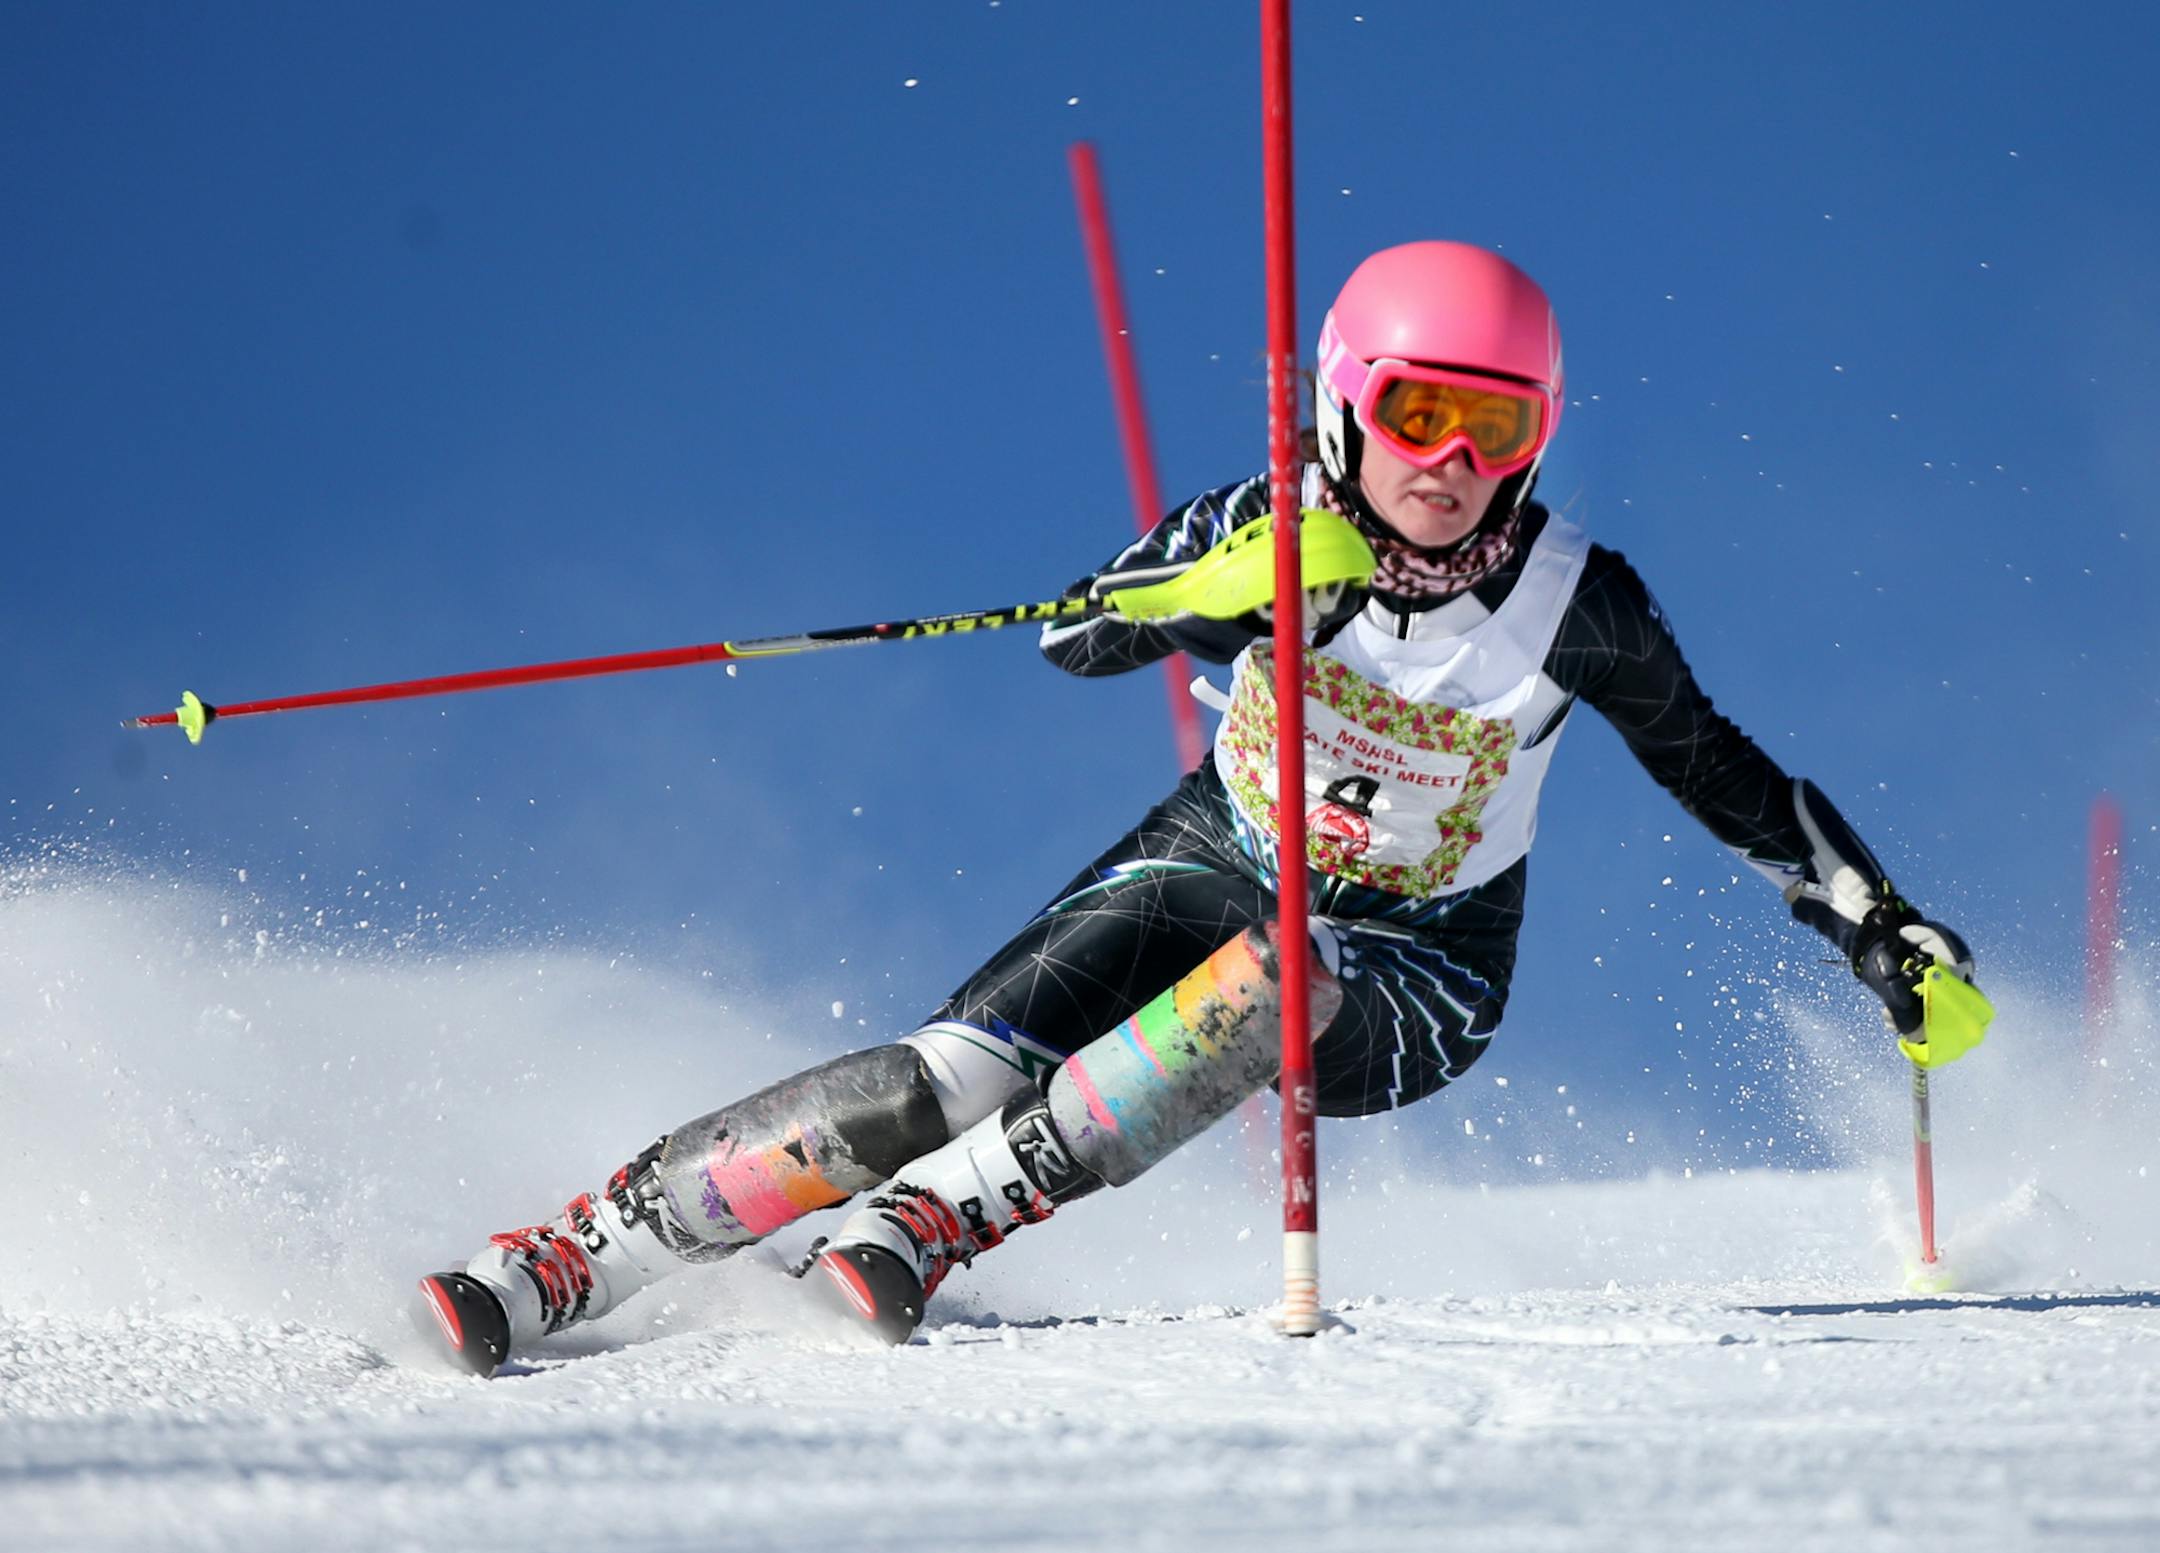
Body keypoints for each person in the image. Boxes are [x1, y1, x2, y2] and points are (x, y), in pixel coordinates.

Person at [414, 240, 1977, 1375]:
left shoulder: (1581, 605)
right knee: (931, 1079)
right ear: (1348, 404)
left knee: (1271, 987)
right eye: (1420, 409)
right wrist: (1207, 590)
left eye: (1493, 427)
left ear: (1536, 443)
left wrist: (1874, 922)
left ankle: (932, 1228)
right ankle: (579, 1253)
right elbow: (1069, 635)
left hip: (1417, 963)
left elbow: (1717, 768)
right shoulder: (1269, 524)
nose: (1447, 462)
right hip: (1211, 852)